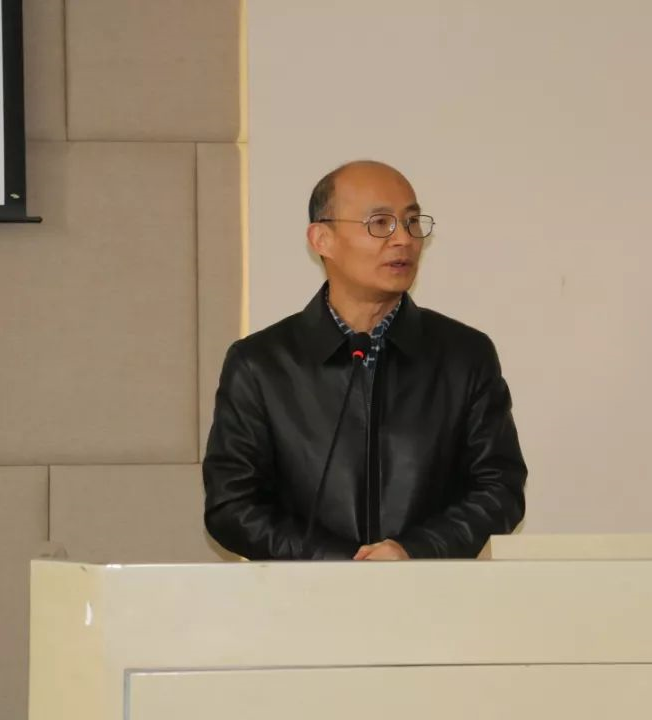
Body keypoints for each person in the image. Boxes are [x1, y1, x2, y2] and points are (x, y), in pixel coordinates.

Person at [203, 160, 526, 560]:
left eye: (411, 222)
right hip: (306, 595)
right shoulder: (261, 364)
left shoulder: (464, 356)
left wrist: (412, 552)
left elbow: (499, 490)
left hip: (432, 592)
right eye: (380, 223)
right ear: (322, 239)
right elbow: (232, 507)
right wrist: (341, 562)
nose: (403, 239)